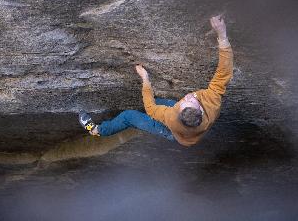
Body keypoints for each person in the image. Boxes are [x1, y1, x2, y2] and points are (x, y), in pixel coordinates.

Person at [79, 15, 233, 146]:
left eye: (187, 100)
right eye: (189, 100)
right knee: (158, 100)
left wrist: (145, 79)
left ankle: (97, 131)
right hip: (192, 129)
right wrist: (222, 34)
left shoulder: (171, 116)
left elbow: (150, 109)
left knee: (128, 116)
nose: (188, 96)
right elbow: (224, 72)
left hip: (173, 133)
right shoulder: (213, 100)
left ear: (179, 112)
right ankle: (139, 121)